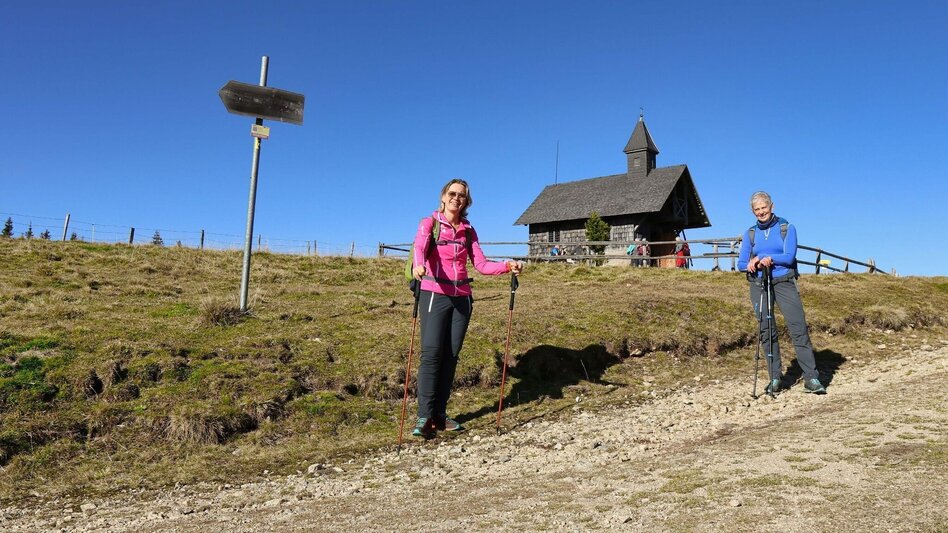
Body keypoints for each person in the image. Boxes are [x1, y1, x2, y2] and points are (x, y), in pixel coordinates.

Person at [411, 178, 524, 438]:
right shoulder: (430, 223)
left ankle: (439, 415)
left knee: (451, 356)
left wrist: (508, 265)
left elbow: (481, 265)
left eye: (461, 196)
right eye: (452, 193)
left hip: (462, 297)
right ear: (443, 196)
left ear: (466, 202)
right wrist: (419, 265)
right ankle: (423, 416)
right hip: (434, 294)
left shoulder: (468, 230)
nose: (456, 198)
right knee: (431, 354)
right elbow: (419, 247)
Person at [737, 191, 826, 395]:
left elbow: (788, 256)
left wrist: (766, 257)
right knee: (767, 331)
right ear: (753, 211)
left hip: (784, 280)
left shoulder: (786, 227)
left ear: (772, 207)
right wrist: (752, 263)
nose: (761, 212)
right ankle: (775, 378)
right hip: (759, 283)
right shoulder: (750, 233)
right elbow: (741, 263)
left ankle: (811, 378)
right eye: (756, 209)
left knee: (798, 327)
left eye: (764, 208)